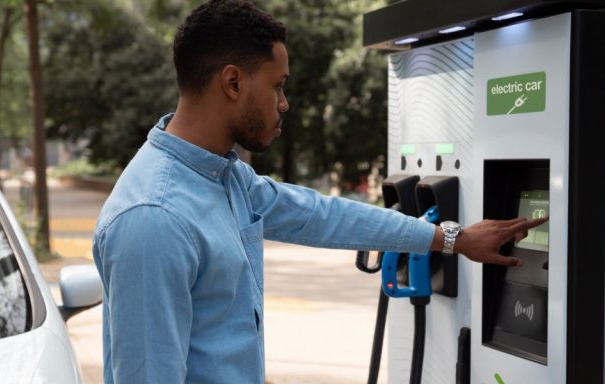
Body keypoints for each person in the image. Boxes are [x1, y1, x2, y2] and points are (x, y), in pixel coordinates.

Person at [91, 1, 548, 383]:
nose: (284, 103)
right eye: (278, 86)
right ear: (232, 83)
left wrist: (452, 239)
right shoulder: (154, 219)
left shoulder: (225, 178)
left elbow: (322, 215)